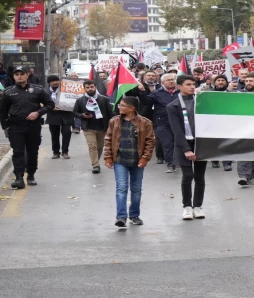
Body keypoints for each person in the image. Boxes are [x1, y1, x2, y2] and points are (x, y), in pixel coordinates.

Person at [0, 66, 55, 189]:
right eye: (17, 74)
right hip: (15, 127)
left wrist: (38, 113)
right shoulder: (8, 92)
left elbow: (50, 104)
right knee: (18, 152)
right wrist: (5, 128)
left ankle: (31, 175)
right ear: (13, 76)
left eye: (22, 74)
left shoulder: (38, 90)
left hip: (33, 127)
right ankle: (19, 177)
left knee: (32, 152)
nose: (19, 76)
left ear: (27, 75)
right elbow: (3, 112)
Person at [104, 97, 155, 228]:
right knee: (121, 188)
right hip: (120, 160)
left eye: (122, 105)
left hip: (137, 161)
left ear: (132, 108)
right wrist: (108, 157)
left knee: (136, 189)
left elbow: (150, 142)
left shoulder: (145, 122)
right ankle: (121, 217)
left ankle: (134, 215)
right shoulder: (114, 121)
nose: (119, 107)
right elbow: (108, 140)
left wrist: (145, 158)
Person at [167, 75, 208, 220]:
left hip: (201, 143)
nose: (192, 87)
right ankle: (187, 207)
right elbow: (176, 130)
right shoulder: (173, 106)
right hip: (183, 144)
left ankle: (198, 206)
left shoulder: (202, 102)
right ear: (179, 86)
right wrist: (186, 149)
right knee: (188, 175)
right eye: (188, 84)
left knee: (199, 176)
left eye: (193, 84)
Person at [139, 73, 180, 173]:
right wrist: (142, 92)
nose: (171, 81)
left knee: (178, 143)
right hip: (163, 123)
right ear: (162, 82)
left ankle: (178, 162)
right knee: (167, 144)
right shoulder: (157, 93)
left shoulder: (180, 92)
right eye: (168, 80)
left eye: (173, 79)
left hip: (179, 122)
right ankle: (170, 164)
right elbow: (147, 102)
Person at [74, 80, 114, 174]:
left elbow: (111, 113)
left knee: (100, 147)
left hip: (102, 127)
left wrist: (112, 125)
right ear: (85, 88)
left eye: (92, 87)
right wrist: (82, 115)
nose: (90, 89)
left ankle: (96, 160)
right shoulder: (80, 100)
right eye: (87, 87)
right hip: (88, 127)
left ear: (95, 87)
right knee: (92, 146)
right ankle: (95, 165)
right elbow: (75, 112)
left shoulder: (104, 99)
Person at [237, 73, 254, 186]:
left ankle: (253, 176)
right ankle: (243, 176)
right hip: (243, 128)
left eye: (251, 81)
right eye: (246, 81)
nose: (248, 83)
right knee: (243, 151)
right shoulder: (238, 94)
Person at [209, 75, 236, 171]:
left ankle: (227, 163)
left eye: (223, 80)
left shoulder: (233, 93)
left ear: (227, 82)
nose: (220, 82)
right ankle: (215, 159)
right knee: (214, 142)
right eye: (218, 80)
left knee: (227, 142)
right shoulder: (209, 93)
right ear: (214, 83)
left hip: (227, 121)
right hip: (213, 121)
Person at [46, 75, 73, 159]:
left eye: (57, 80)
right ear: (49, 83)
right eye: (53, 81)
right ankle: (56, 152)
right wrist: (51, 107)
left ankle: (65, 151)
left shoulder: (66, 89)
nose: (55, 82)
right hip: (52, 115)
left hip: (66, 115)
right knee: (54, 135)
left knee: (67, 133)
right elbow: (42, 103)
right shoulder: (45, 91)